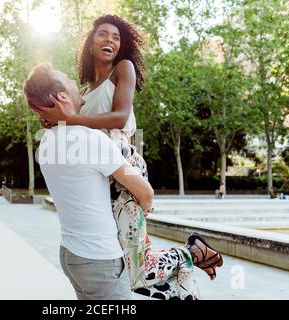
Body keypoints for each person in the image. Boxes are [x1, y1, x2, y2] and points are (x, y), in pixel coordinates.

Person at [25, 62, 223, 300]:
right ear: (61, 96)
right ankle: (190, 253)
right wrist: (144, 206)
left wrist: (67, 117)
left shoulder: (46, 143)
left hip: (71, 255)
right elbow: (145, 192)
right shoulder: (90, 140)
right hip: (100, 261)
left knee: (143, 270)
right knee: (143, 270)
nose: (75, 83)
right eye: (68, 79)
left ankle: (190, 256)